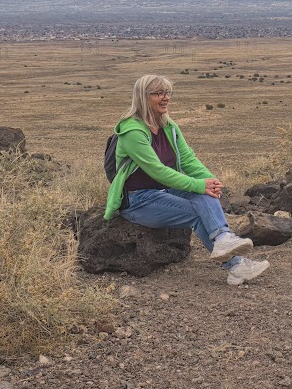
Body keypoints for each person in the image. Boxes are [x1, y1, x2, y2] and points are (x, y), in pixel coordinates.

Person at [103, 74, 270, 285]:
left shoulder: (168, 125)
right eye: (159, 93)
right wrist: (198, 184)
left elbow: (188, 159)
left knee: (205, 192)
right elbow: (158, 171)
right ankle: (235, 264)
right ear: (143, 97)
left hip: (164, 191)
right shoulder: (132, 131)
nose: (166, 98)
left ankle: (223, 239)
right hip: (138, 200)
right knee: (198, 210)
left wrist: (210, 180)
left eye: (168, 93)